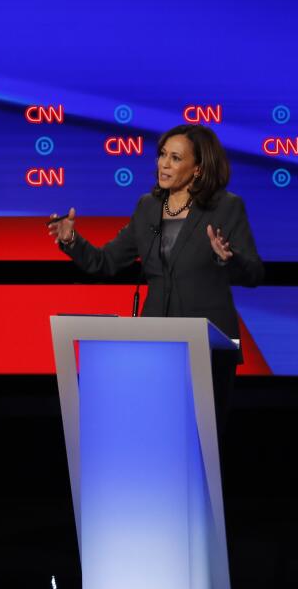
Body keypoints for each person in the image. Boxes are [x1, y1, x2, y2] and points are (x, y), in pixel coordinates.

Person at [48, 123, 263, 416]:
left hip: (209, 348)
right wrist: (71, 240)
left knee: (204, 444)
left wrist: (227, 258)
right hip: (157, 343)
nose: (164, 164)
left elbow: (254, 273)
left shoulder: (226, 207)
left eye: (175, 158)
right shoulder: (148, 206)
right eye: (162, 155)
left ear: (198, 168)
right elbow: (106, 262)